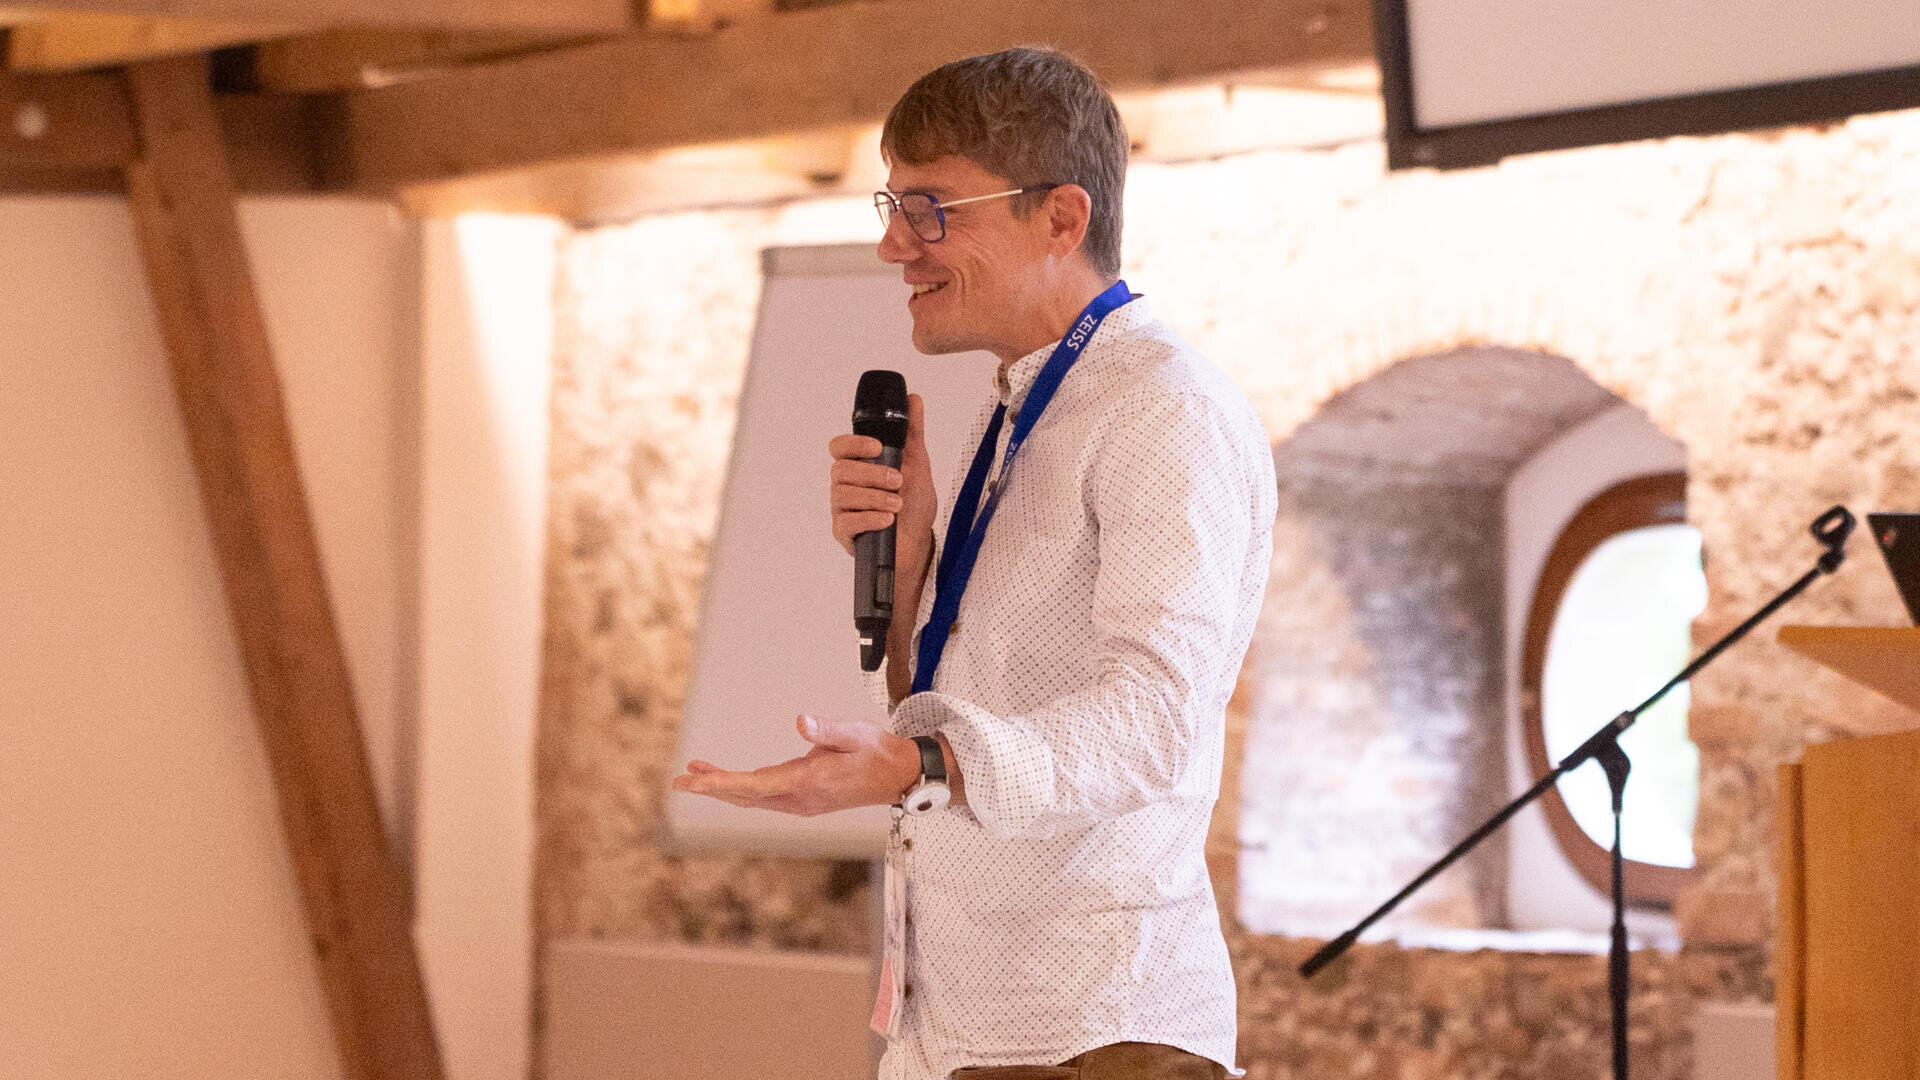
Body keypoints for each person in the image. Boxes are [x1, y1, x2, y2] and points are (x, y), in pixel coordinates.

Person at [673, 47, 1275, 1080]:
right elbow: (975, 704)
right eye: (892, 206)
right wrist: (908, 575)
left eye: (931, 209)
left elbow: (1155, 723)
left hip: (1096, 1032)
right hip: (970, 1025)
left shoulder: (1163, 409)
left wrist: (918, 764)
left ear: (1061, 219)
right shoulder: (1025, 403)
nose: (893, 246)